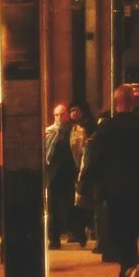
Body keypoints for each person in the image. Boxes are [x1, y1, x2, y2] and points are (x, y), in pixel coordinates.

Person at [84, 86, 139, 277]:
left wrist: (87, 187)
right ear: (133, 101)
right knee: (133, 231)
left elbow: (95, 160)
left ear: (115, 102)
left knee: (120, 236)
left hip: (114, 191)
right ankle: (127, 273)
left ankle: (127, 273)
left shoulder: (106, 129)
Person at [45, 103, 85, 248]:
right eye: (56, 115)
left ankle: (78, 233)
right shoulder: (49, 132)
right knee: (53, 209)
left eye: (61, 114)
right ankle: (54, 239)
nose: (59, 118)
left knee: (71, 206)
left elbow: (80, 150)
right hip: (53, 174)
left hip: (69, 172)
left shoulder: (75, 130)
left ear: (66, 115)